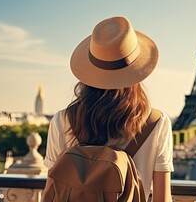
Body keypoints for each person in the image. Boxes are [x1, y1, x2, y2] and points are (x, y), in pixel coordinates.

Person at [44, 16, 174, 201]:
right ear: (137, 71)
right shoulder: (157, 123)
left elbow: (51, 191)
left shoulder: (62, 120)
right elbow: (162, 199)